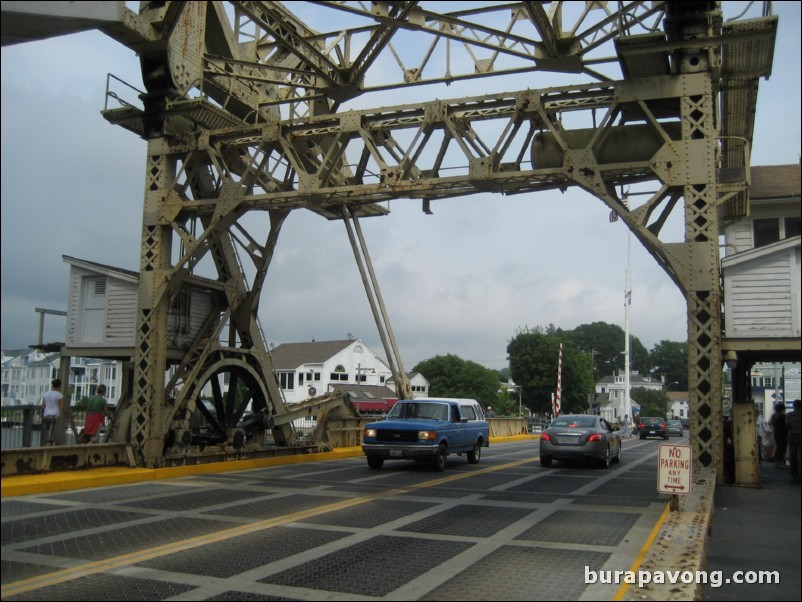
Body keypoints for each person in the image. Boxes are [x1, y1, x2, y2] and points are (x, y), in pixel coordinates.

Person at [41, 379, 65, 446]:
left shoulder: (46, 394)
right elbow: (62, 407)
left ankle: (49, 444)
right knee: (51, 436)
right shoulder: (59, 395)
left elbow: (43, 406)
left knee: (49, 431)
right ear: (59, 386)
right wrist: (67, 415)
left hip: (46, 415)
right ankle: (49, 448)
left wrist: (42, 415)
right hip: (55, 415)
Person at [786, 399, 801, 482]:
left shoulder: (789, 415)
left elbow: (787, 426)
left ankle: (794, 474)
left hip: (793, 436)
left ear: (794, 406)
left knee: (793, 456)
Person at [770, 402, 787, 469]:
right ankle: (781, 463)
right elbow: (786, 425)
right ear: (783, 409)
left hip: (776, 433)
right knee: (782, 449)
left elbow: (770, 423)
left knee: (778, 447)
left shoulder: (774, 415)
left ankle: (777, 463)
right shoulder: (783, 416)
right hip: (782, 434)